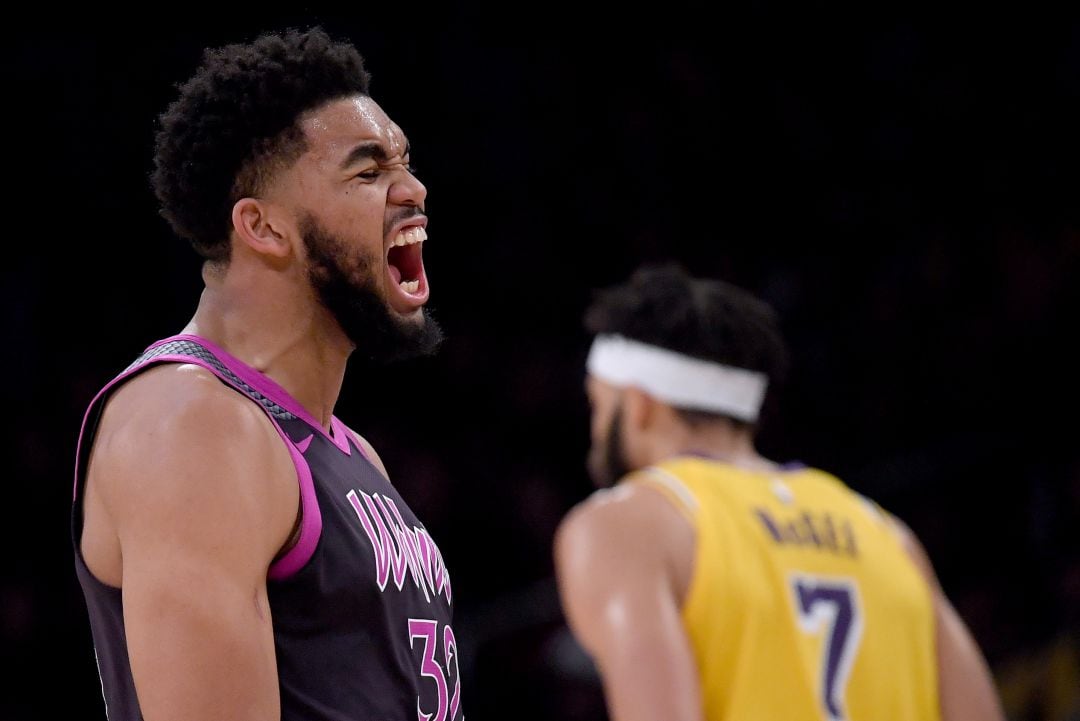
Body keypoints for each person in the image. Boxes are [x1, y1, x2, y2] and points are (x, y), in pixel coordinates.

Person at [71, 27, 463, 721]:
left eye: (404, 161)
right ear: (265, 228)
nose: (413, 188)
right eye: (368, 172)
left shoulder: (347, 451)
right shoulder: (193, 425)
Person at [553, 263, 1005, 721]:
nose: (593, 431)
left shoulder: (631, 526)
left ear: (638, 405)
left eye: (597, 405)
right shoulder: (888, 534)